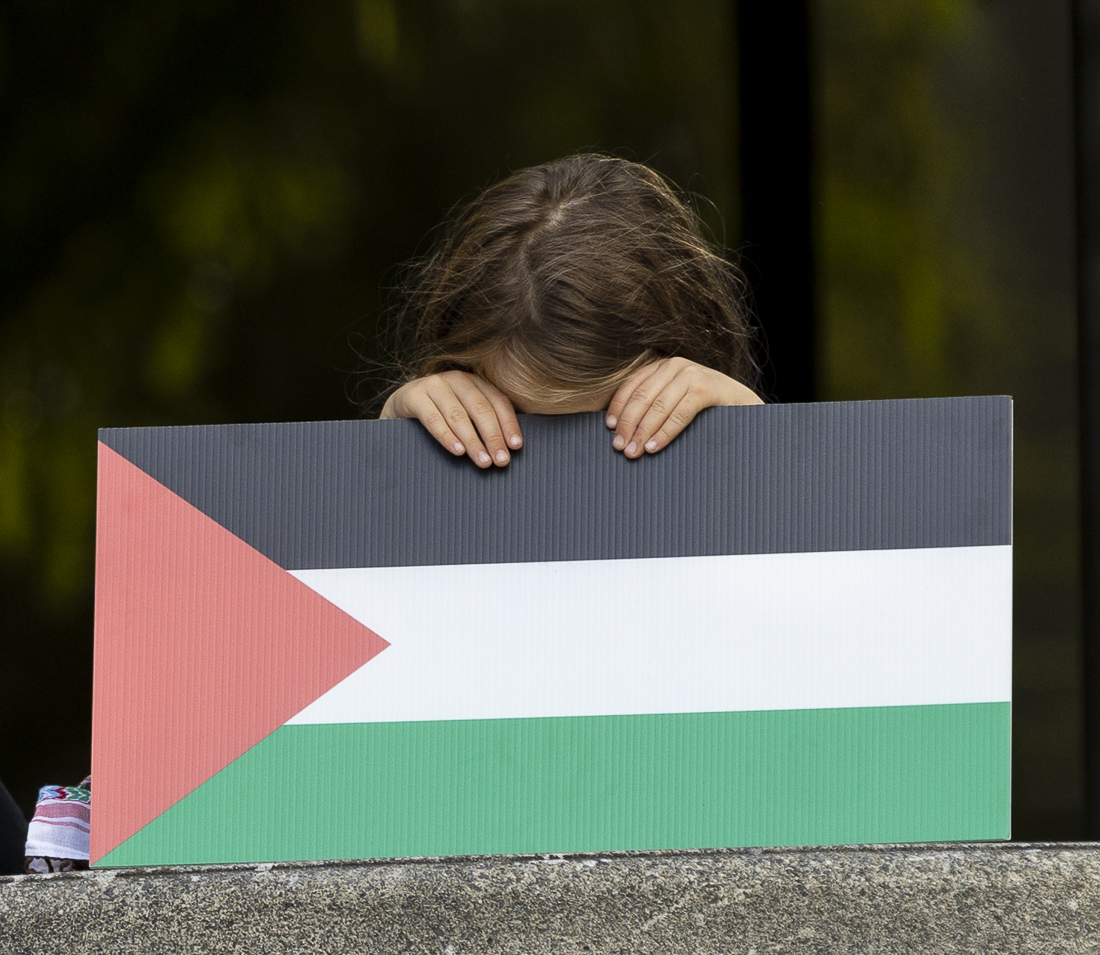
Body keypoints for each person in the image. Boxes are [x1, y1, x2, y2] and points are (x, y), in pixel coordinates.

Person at [379, 154, 763, 460]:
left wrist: (761, 434)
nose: (563, 464)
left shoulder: (732, 428)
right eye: (516, 420)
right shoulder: (428, 448)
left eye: (610, 422)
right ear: (460, 370)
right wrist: (392, 440)